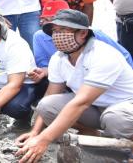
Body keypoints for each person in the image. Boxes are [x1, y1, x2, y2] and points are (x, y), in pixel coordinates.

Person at [16, 9, 133, 162]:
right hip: (94, 108)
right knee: (46, 106)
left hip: (124, 105)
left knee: (115, 119)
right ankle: (96, 136)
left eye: (64, 30)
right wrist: (35, 132)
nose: (57, 35)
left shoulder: (103, 55)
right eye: (55, 30)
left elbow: (81, 103)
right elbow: (50, 96)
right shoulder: (58, 58)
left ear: (83, 33)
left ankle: (126, 149)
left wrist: (44, 140)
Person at [31, 0, 133, 86]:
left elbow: (124, 55)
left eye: (52, 19)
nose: (48, 23)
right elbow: (44, 65)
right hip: (65, 79)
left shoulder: (94, 34)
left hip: (100, 78)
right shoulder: (39, 37)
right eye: (44, 19)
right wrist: (42, 72)